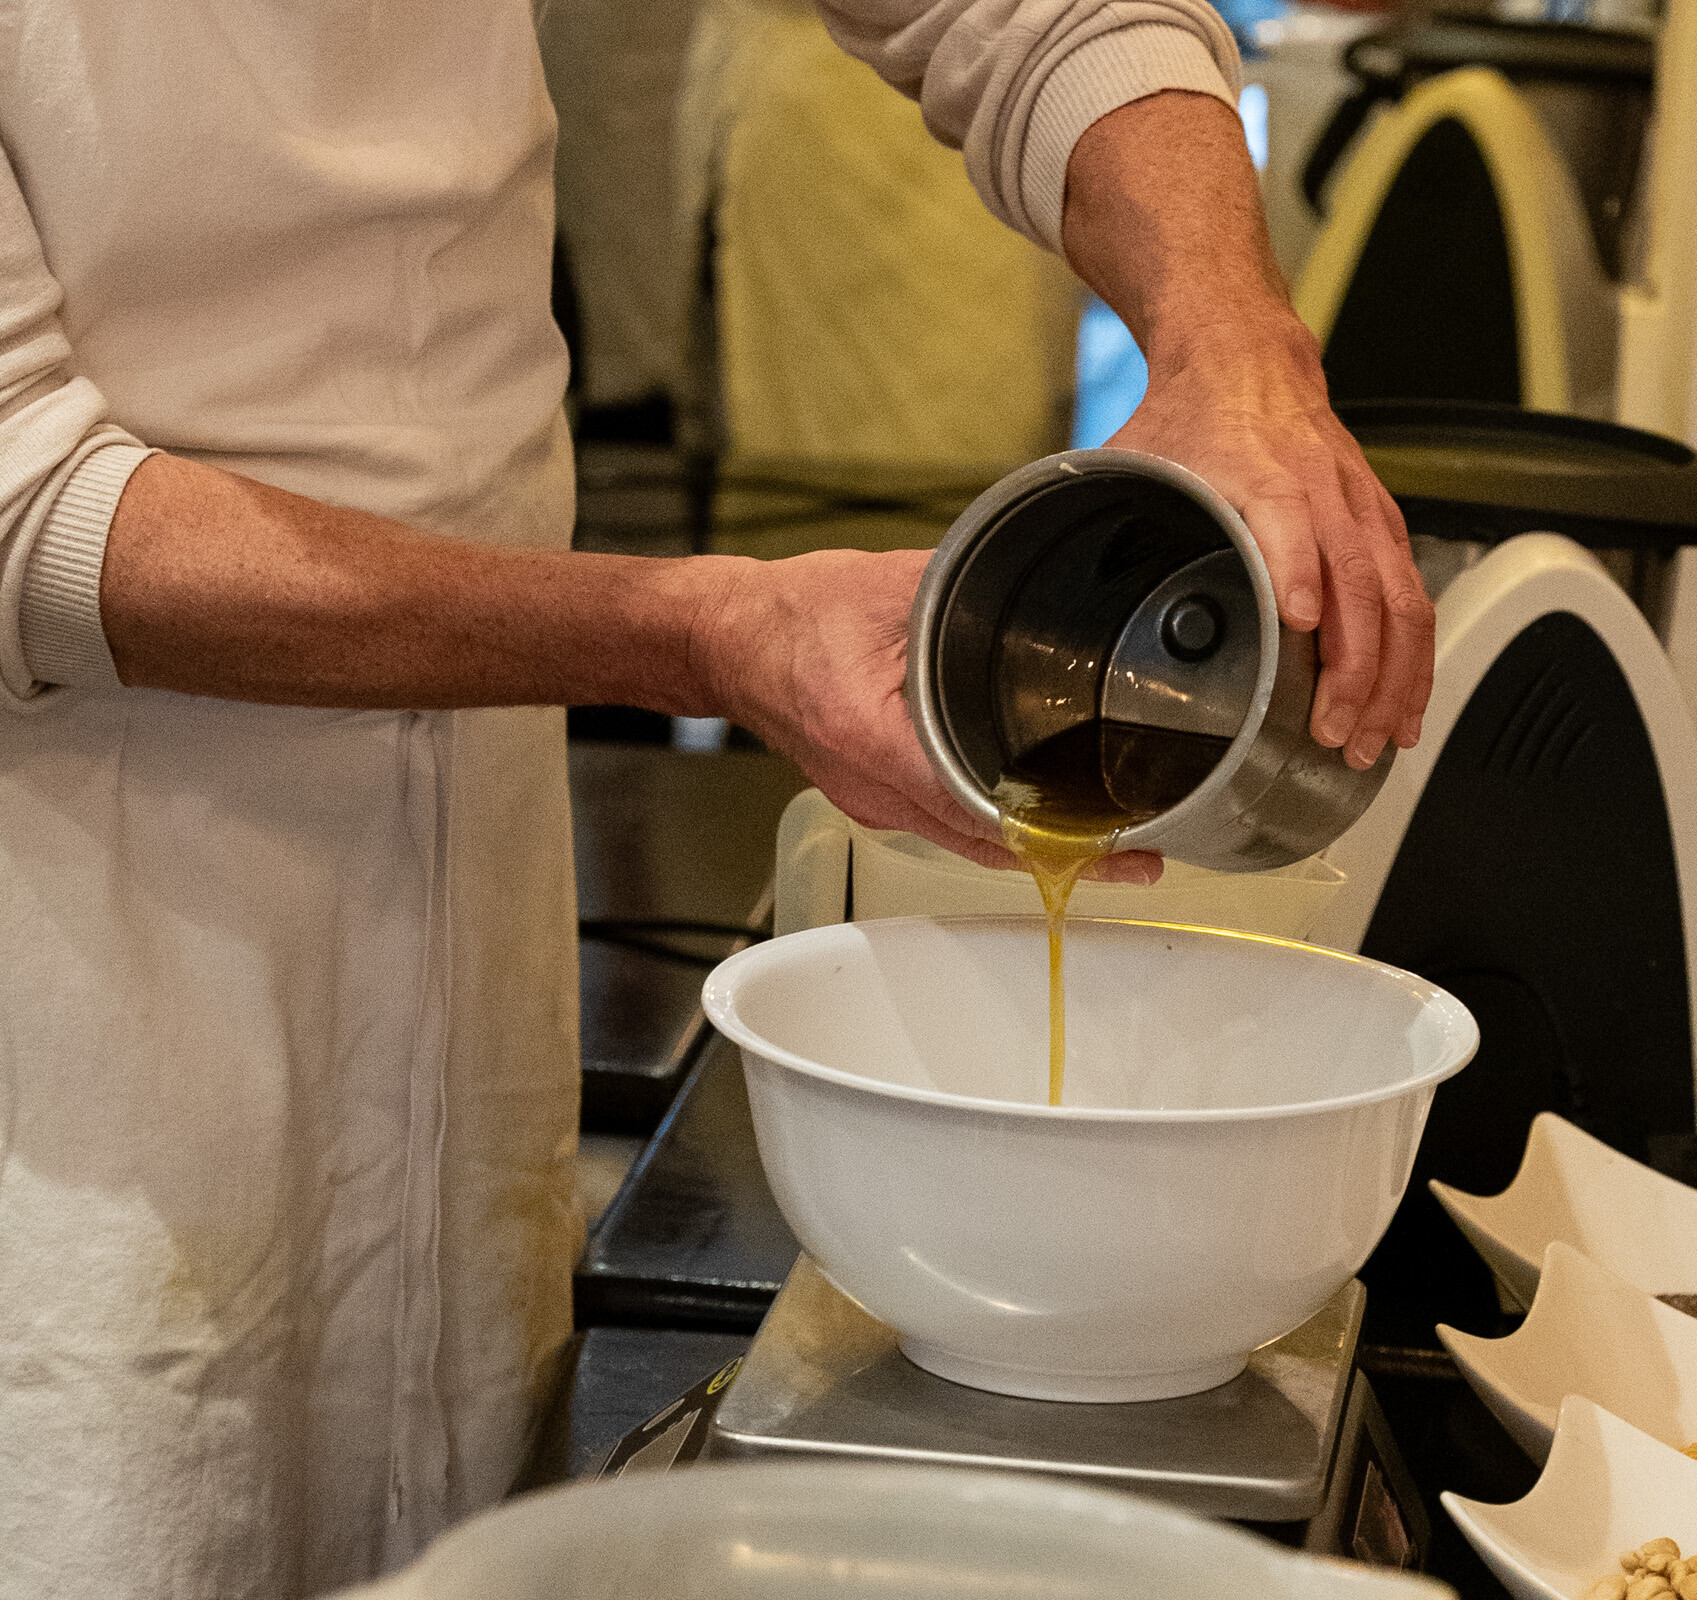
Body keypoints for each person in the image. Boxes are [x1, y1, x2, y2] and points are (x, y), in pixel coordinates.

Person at [0, 3, 1432, 1596]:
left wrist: (1235, 340)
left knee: (439, 1485)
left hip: (460, 876)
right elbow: (26, 513)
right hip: (94, 949)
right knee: (136, 1498)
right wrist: (703, 636)